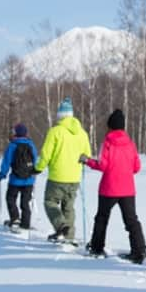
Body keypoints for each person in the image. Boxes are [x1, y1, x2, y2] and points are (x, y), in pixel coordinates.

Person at [82, 109, 146, 263]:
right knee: (131, 220)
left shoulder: (107, 142)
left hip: (109, 188)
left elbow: (103, 165)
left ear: (110, 126)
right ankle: (139, 250)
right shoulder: (130, 144)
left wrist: (88, 161)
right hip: (128, 189)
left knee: (102, 218)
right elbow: (136, 167)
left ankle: (97, 247)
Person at [34, 98, 92, 245]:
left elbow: (46, 153)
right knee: (68, 207)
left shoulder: (55, 132)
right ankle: (69, 236)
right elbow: (87, 155)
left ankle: (61, 226)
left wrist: (38, 168)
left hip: (57, 176)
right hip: (74, 178)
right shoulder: (82, 133)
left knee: (50, 202)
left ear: (60, 116)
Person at [0, 123, 39, 233]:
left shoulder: (12, 146)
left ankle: (15, 219)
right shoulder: (31, 145)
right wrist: (34, 174)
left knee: (10, 199)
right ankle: (25, 223)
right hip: (29, 180)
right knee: (25, 202)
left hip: (15, 180)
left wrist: (2, 174)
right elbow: (35, 161)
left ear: (16, 133)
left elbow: (6, 162)